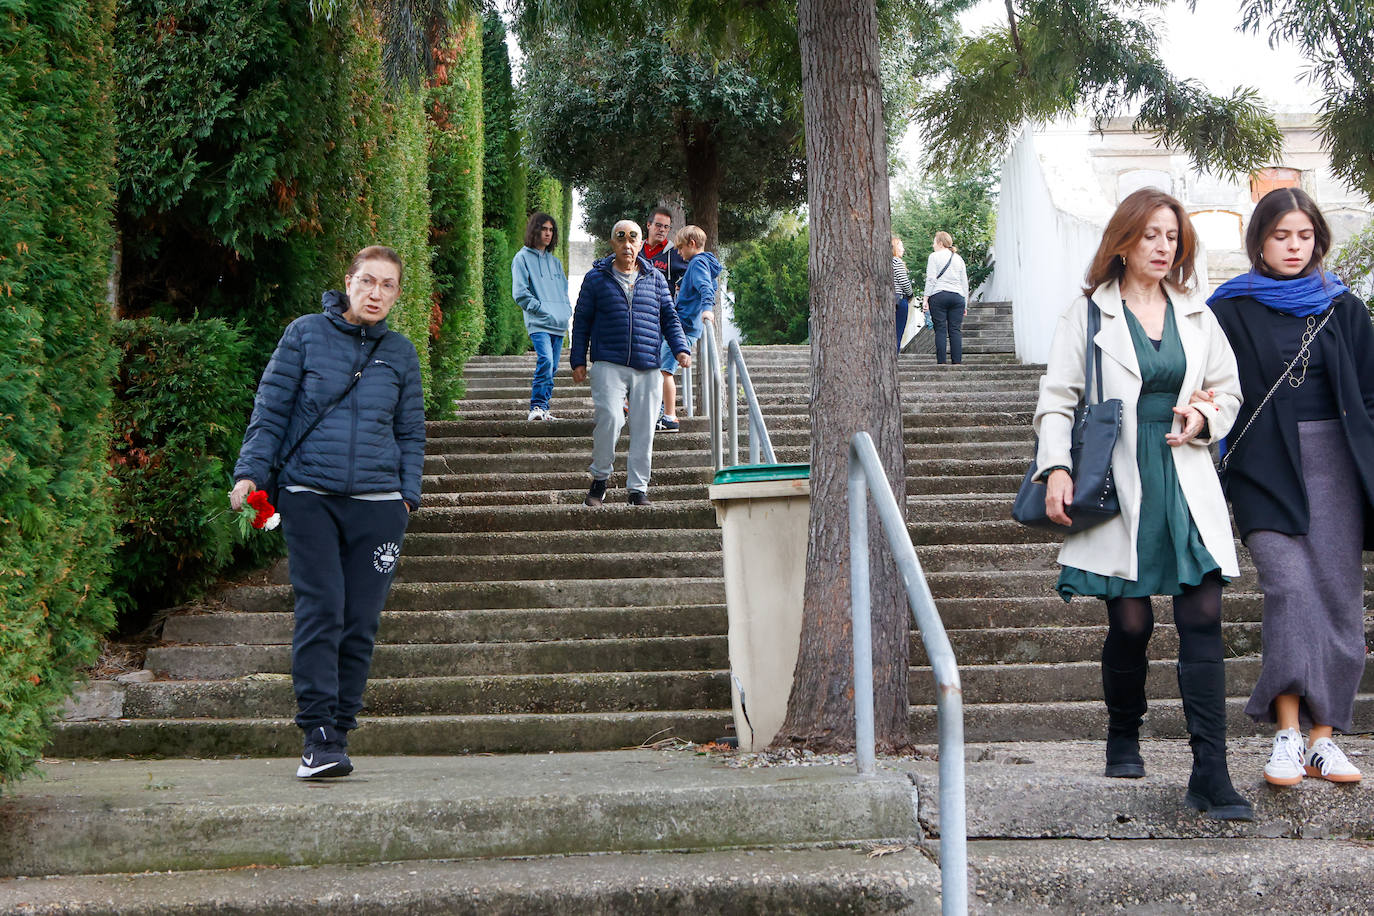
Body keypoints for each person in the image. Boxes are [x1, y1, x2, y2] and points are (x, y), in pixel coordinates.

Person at [1033, 188, 1252, 821]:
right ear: (1124, 241)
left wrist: (1203, 417)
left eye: (1173, 237)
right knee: (1131, 624)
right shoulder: (1088, 313)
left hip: (1183, 473)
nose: (1164, 247)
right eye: (1152, 234)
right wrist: (1056, 468)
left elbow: (1228, 391)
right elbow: (1058, 397)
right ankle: (1123, 731)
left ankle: (1211, 769)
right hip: (1119, 476)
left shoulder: (1197, 313)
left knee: (1203, 614)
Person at [230, 245, 425, 779]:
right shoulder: (305, 335)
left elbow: (410, 432)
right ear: (348, 282)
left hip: (380, 506)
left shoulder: (401, 354)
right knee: (323, 609)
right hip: (308, 496)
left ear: (397, 293)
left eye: (387, 285)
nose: (375, 293)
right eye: (367, 281)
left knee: (360, 622)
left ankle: (340, 732)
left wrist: (407, 496)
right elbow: (270, 411)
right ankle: (317, 735)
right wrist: (250, 474)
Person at [1207, 187, 1372, 786]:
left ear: (1318, 239)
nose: (1294, 247)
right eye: (1281, 236)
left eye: (1304, 236)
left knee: (1336, 594)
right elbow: (1209, 377)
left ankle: (1324, 738)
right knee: (1288, 588)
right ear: (1259, 241)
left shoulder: (1343, 307)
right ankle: (1285, 732)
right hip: (1263, 463)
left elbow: (1370, 395)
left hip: (1335, 464)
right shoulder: (1228, 307)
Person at [571, 220, 690, 506]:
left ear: (640, 245)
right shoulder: (596, 278)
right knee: (611, 418)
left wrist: (680, 348)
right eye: (620, 239)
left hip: (647, 363)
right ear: (612, 244)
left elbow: (669, 318)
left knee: (645, 425)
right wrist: (578, 359)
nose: (627, 244)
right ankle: (600, 478)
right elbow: (582, 319)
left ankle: (637, 489)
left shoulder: (655, 278)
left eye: (632, 239)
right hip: (608, 362)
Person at [657, 225, 720, 432]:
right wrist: (682, 288)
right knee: (661, 366)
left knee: (664, 370)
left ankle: (669, 416)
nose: (678, 252)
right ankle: (661, 412)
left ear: (692, 244)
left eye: (681, 247)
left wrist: (707, 310)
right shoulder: (704, 264)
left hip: (683, 327)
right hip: (685, 326)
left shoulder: (698, 262)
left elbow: (705, 289)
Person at [512, 212, 573, 422]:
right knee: (546, 361)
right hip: (539, 322)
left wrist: (566, 311)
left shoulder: (555, 263)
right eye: (544, 229)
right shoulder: (522, 258)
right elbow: (520, 293)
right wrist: (540, 309)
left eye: (551, 230)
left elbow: (564, 291)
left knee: (553, 367)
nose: (547, 233)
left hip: (558, 323)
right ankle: (536, 406)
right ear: (534, 230)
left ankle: (544, 408)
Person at [922, 231, 970, 364]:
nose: (932, 245)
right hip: (957, 297)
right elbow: (964, 282)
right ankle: (957, 363)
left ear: (940, 243)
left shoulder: (934, 256)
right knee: (955, 330)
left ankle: (942, 362)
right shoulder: (959, 258)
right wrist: (965, 303)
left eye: (934, 242)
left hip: (939, 295)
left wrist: (925, 298)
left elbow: (931, 279)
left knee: (941, 329)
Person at [643, 206, 688, 298]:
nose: (662, 230)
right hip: (637, 308)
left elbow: (694, 273)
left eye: (666, 227)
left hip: (663, 309)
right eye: (658, 225)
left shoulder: (675, 252)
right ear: (649, 225)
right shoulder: (637, 249)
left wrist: (680, 284)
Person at [892, 236, 913, 346]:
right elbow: (904, 282)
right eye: (901, 246)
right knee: (898, 334)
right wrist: (910, 295)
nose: (903, 249)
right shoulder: (897, 261)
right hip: (899, 300)